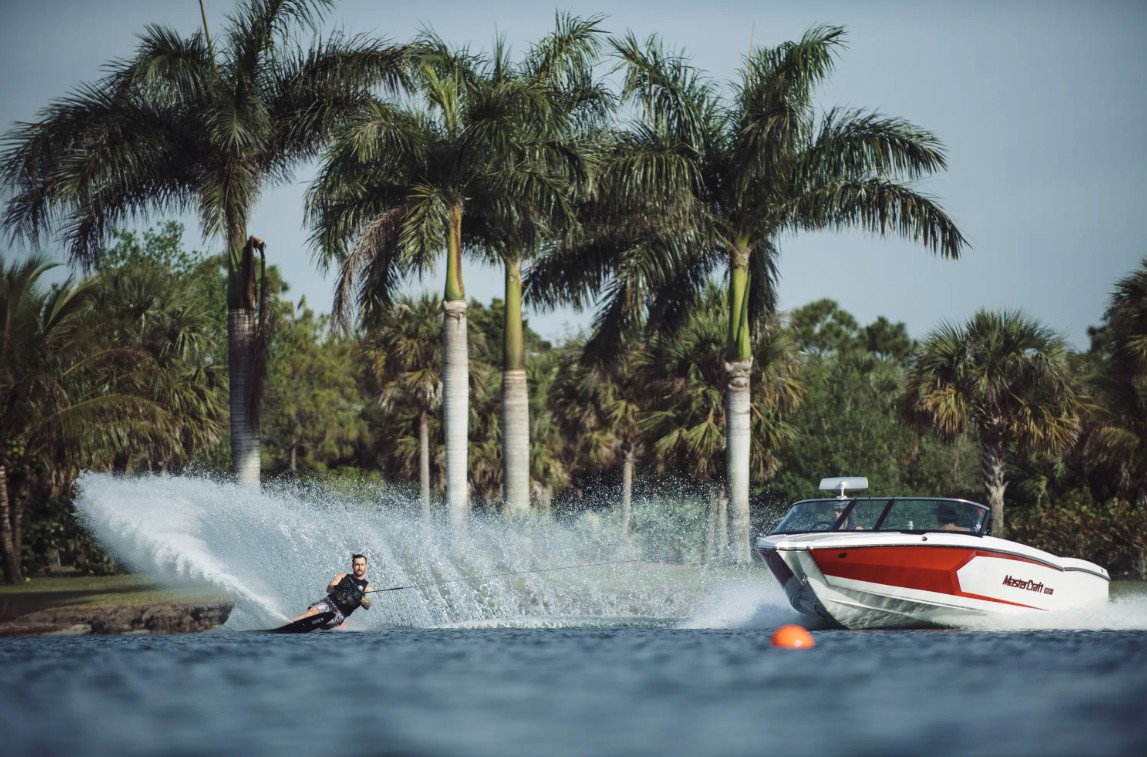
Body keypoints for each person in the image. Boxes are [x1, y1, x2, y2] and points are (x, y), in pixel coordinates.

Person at [293, 553, 374, 628]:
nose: (359, 567)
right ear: (352, 566)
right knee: (310, 614)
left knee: (324, 624)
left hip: (340, 612)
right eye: (357, 564)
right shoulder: (342, 576)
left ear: (366, 566)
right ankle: (290, 623)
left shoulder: (368, 587)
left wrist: (360, 598)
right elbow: (329, 588)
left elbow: (367, 605)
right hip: (328, 602)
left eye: (362, 565)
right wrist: (338, 587)